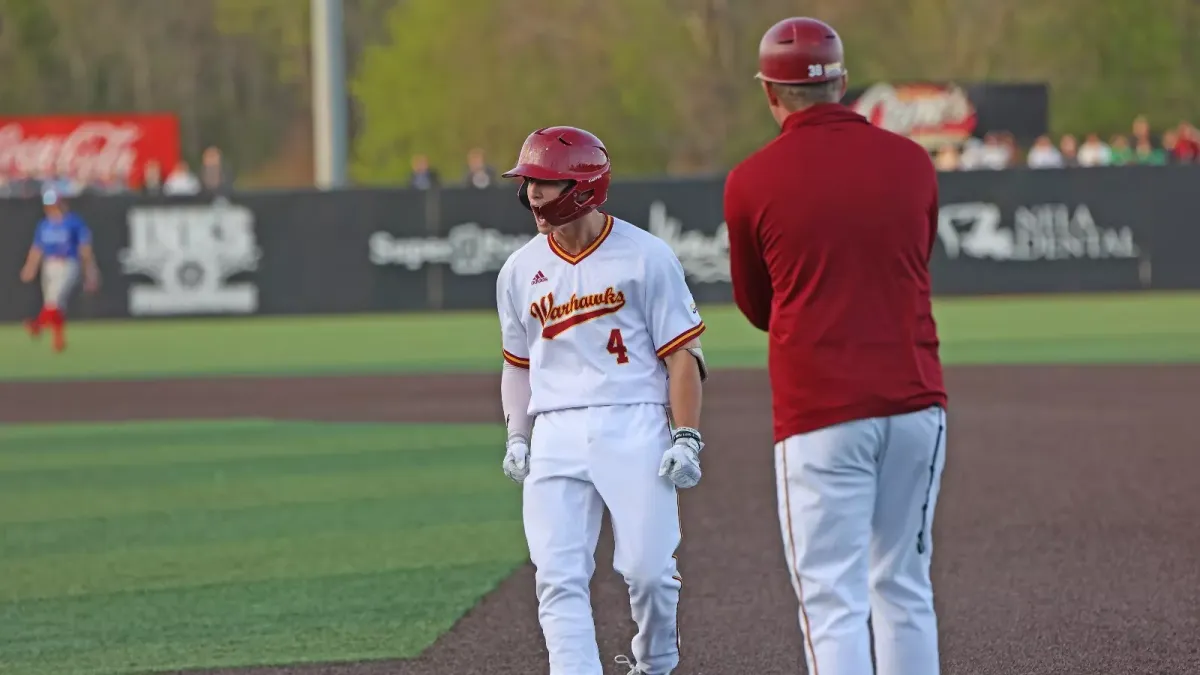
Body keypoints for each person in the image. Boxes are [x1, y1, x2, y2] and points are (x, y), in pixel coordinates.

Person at [723, 17, 948, 675]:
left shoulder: (750, 180)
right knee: (904, 584)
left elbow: (756, 305)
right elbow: (915, 258)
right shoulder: (913, 161)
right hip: (915, 399)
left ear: (769, 92)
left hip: (819, 409)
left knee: (832, 599)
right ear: (843, 83)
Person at [495, 126, 708, 675]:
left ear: (585, 185)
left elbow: (682, 355)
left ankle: (655, 661)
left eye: (545, 182)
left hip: (633, 421)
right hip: (554, 431)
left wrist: (685, 436)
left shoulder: (645, 255)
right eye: (528, 183)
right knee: (557, 576)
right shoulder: (518, 271)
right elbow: (517, 365)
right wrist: (517, 436)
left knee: (649, 571)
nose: (533, 195)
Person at [19, 191, 101, 352]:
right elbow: (37, 248)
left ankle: (38, 325)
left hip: (68, 264)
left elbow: (85, 249)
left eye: (54, 204)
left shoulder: (73, 222)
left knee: (54, 302)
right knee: (55, 304)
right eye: (49, 205)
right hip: (49, 264)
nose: (52, 208)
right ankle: (59, 340)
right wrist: (30, 267)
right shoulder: (44, 224)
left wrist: (90, 271)